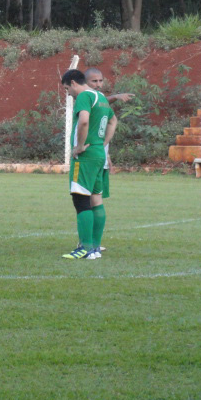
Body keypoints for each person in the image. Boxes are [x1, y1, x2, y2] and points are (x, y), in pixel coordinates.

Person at [61, 69, 117, 260]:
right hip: (98, 154)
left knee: (80, 200)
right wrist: (102, 144)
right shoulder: (101, 97)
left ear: (73, 83)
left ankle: (84, 248)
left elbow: (83, 121)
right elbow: (113, 121)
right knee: (96, 200)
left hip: (85, 157)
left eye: (67, 88)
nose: (68, 93)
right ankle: (94, 248)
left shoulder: (84, 96)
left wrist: (79, 146)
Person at [83, 67, 134, 257]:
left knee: (94, 199)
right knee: (88, 199)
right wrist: (116, 97)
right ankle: (88, 241)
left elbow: (111, 121)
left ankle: (92, 242)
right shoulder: (87, 99)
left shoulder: (101, 103)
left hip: (98, 158)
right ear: (85, 83)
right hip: (90, 157)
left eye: (100, 81)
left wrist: (106, 150)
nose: (98, 84)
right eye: (94, 81)